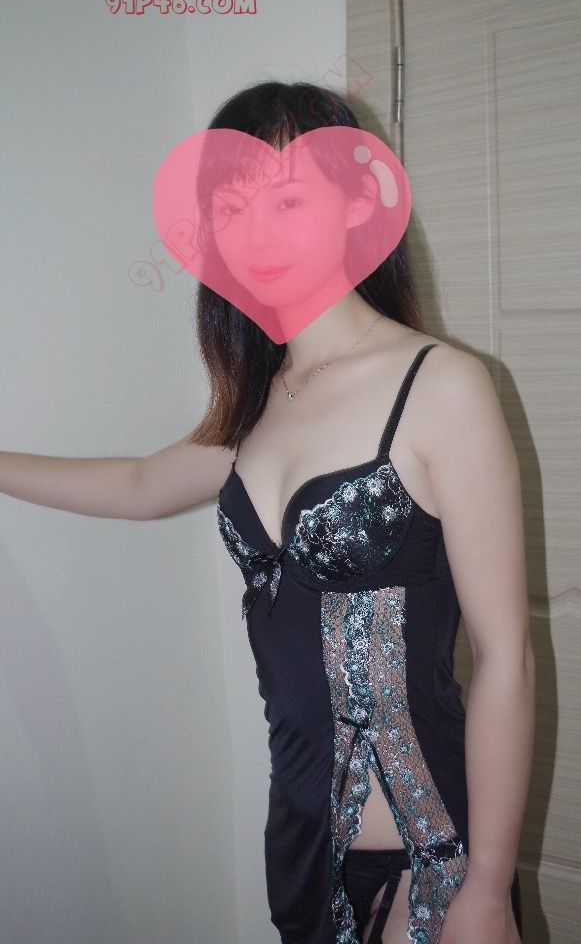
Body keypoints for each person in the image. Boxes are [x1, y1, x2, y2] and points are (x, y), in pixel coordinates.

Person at [1, 80, 535, 944]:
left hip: (431, 860)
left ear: (356, 203)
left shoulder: (440, 387)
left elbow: (506, 657)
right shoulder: (258, 405)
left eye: (287, 200)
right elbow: (137, 485)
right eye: (232, 209)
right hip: (299, 848)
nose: (256, 234)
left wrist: (486, 886)